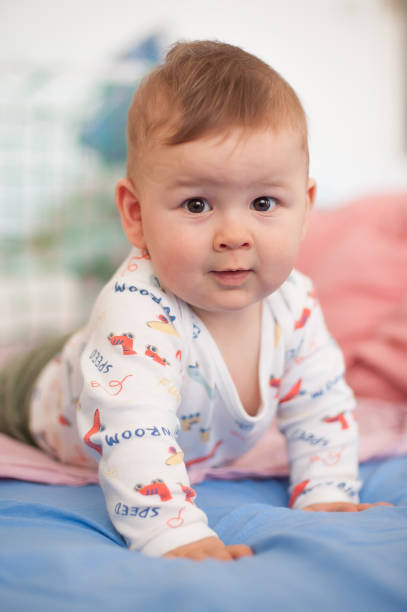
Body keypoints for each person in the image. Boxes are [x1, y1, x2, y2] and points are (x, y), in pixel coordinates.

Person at [0, 40, 387, 562]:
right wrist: (172, 534)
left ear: (306, 207)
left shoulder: (293, 303)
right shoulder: (137, 312)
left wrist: (328, 493)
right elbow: (135, 433)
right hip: (35, 395)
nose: (234, 234)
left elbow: (322, 404)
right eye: (197, 204)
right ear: (135, 215)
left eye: (264, 203)